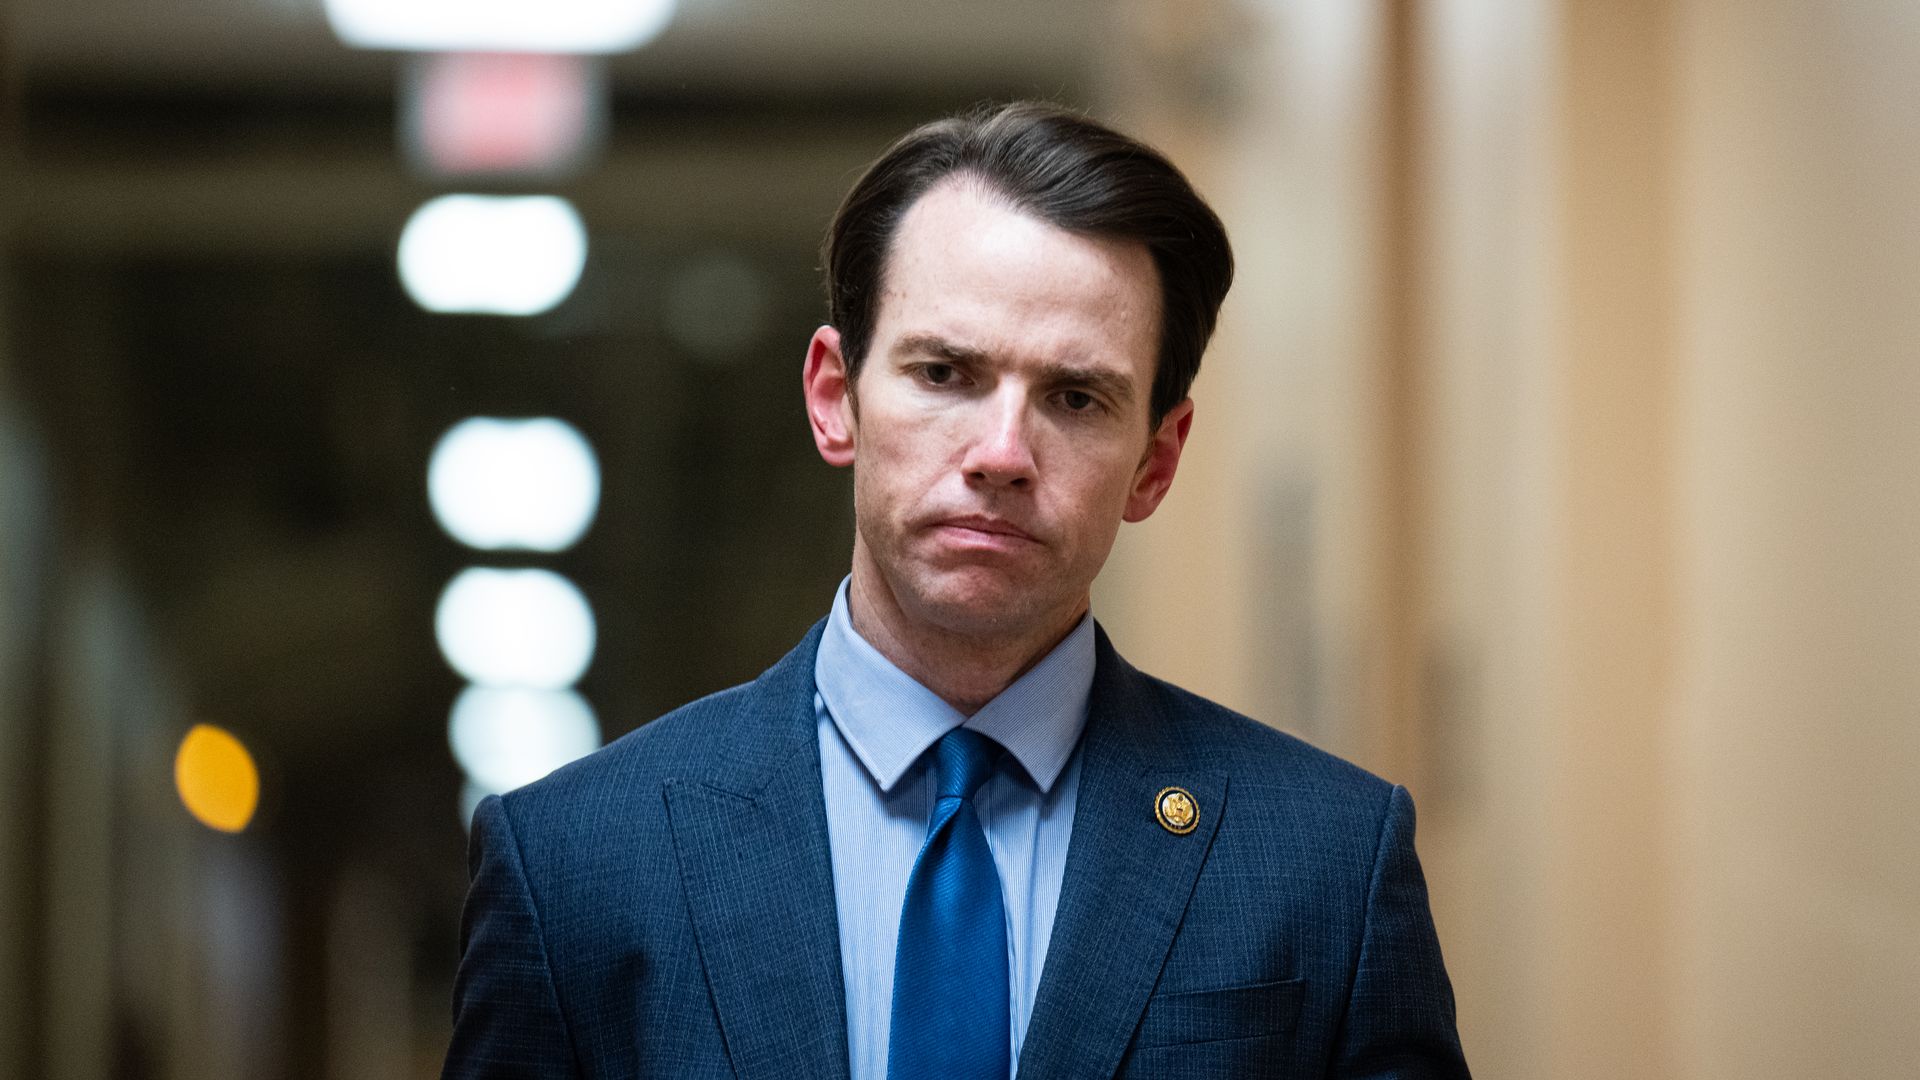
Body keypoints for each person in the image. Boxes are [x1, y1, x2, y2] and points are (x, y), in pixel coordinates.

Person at [443, 102, 1469, 1080]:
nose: (1003, 453)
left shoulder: (1327, 865)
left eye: (1076, 397)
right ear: (835, 399)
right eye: (944, 374)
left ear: (1156, 462)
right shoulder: (576, 865)